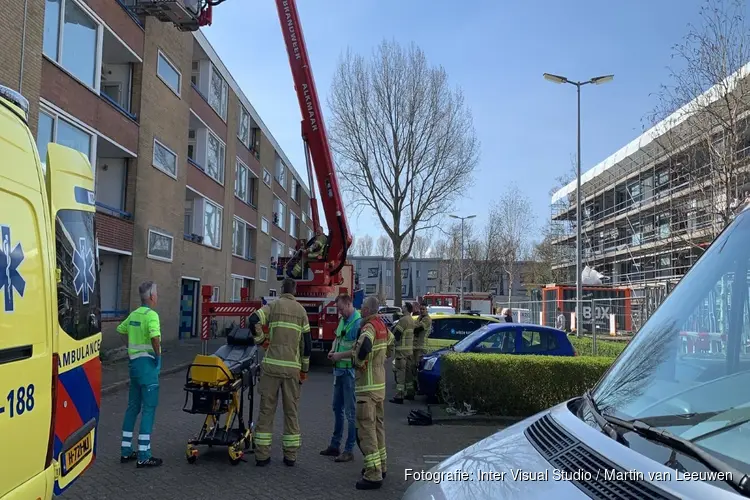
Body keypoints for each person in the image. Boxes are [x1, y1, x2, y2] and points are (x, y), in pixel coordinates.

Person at [330, 295, 394, 490]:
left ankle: (373, 474)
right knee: (378, 428)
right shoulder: (383, 326)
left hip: (366, 388)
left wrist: (359, 363)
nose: (362, 309)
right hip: (379, 387)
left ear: (367, 310)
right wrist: (380, 359)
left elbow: (364, 347)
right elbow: (391, 345)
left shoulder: (368, 327)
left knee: (366, 431)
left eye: (363, 307)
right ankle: (381, 466)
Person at [248, 277, 312, 466]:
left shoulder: (273, 306)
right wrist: (304, 370)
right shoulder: (301, 312)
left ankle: (262, 455)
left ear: (282, 289)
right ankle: (290, 456)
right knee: (291, 412)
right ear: (295, 291)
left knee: (266, 411)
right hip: (292, 370)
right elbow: (307, 345)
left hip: (271, 368)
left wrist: (261, 341)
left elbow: (253, 320)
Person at [118, 281, 163, 468]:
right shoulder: (152, 316)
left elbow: (121, 329)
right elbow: (154, 336)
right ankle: (144, 454)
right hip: (148, 366)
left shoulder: (134, 314)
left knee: (132, 408)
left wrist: (131, 347)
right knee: (149, 409)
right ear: (152, 297)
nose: (157, 297)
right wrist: (158, 355)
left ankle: (126, 450)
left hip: (134, 366)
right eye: (157, 294)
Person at [320, 294, 361, 462]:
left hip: (349, 372)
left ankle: (349, 449)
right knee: (337, 409)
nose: (340, 313)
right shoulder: (344, 320)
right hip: (339, 371)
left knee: (350, 413)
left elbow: (357, 352)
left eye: (342, 309)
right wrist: (332, 350)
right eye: (338, 310)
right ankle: (335, 445)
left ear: (349, 304)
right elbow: (337, 338)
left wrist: (338, 355)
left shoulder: (358, 323)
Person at [390, 302, 414, 404]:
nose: (402, 308)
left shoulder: (403, 320)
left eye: (403, 307)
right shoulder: (411, 320)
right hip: (409, 351)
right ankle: (410, 392)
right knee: (409, 374)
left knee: (400, 374)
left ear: (407, 309)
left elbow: (397, 334)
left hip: (401, 352)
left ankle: (399, 396)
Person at [407, 302, 431, 399]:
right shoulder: (419, 318)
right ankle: (415, 388)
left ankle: (420, 388)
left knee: (418, 368)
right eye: (420, 309)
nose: (421, 311)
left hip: (421, 347)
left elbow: (417, 329)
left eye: (423, 309)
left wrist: (413, 325)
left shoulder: (427, 319)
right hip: (415, 347)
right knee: (413, 368)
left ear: (427, 310)